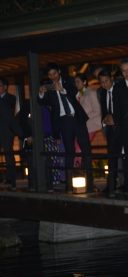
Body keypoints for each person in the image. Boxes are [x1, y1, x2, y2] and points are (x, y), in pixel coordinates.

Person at [38, 63, 93, 193]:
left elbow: (74, 91)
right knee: (69, 152)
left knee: (86, 149)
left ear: (59, 72)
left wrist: (62, 89)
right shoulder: (49, 88)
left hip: (77, 118)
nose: (53, 77)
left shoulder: (68, 81)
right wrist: (41, 93)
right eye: (50, 75)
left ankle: (90, 183)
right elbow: (41, 102)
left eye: (55, 74)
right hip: (64, 121)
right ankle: (69, 185)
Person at [97, 63, 128, 198]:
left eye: (107, 81)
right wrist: (105, 120)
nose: (105, 84)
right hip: (111, 129)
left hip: (124, 128)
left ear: (112, 79)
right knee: (112, 158)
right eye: (102, 82)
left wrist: (115, 118)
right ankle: (111, 186)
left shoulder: (120, 88)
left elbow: (127, 109)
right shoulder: (102, 92)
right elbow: (104, 110)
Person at [74, 73, 102, 142]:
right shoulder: (78, 95)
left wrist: (83, 118)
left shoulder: (91, 93)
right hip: (82, 127)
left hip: (91, 126)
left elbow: (97, 111)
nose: (76, 84)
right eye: (75, 82)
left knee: (80, 149)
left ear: (84, 82)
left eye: (78, 81)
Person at [0, 77, 17, 190]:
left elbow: (14, 115)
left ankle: (11, 178)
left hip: (7, 130)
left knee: (8, 153)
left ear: (5, 87)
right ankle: (4, 177)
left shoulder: (12, 98)